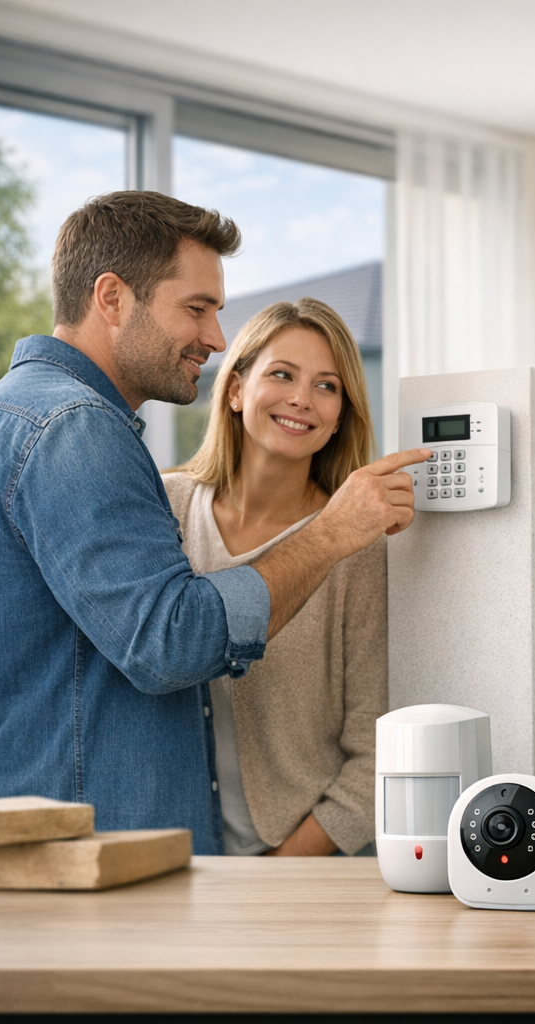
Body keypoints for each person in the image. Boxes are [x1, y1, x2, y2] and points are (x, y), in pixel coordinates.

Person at [0, 191, 428, 854]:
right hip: (91, 859)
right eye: (195, 309)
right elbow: (173, 641)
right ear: (111, 299)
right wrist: (332, 534)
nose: (214, 339)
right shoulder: (77, 429)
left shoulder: (16, 414)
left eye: (328, 385)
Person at [163, 298, 383, 857]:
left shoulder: (357, 549)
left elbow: (376, 756)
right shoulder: (164, 505)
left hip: (296, 865)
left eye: (327, 386)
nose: (301, 399)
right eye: (282, 374)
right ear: (236, 390)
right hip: (166, 851)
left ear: (340, 417)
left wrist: (278, 875)